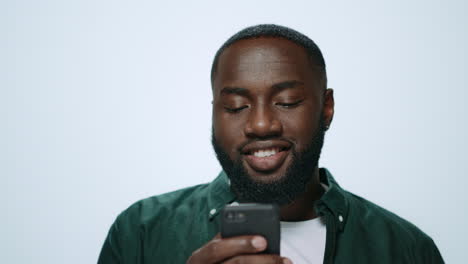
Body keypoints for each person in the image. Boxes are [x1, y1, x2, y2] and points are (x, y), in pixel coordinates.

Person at [98, 24, 444, 264]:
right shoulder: (140, 232)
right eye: (236, 106)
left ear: (327, 108)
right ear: (215, 113)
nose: (261, 124)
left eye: (288, 101)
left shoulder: (407, 249)